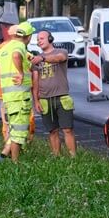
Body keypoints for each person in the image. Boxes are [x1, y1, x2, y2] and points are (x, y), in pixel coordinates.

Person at [0, 21, 35, 161]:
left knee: (14, 127)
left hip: (9, 95)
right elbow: (16, 56)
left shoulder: (5, 48)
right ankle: (15, 163)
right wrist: (20, 73)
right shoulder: (19, 46)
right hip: (19, 95)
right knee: (19, 131)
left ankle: (4, 155)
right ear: (28, 36)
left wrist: (4, 72)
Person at [31, 29, 77, 157]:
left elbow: (59, 58)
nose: (39, 41)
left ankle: (73, 157)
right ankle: (56, 156)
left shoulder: (61, 52)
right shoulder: (36, 60)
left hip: (62, 97)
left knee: (67, 129)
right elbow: (35, 82)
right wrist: (36, 101)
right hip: (45, 100)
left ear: (50, 39)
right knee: (52, 131)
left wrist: (42, 58)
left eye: (41, 38)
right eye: (37, 39)